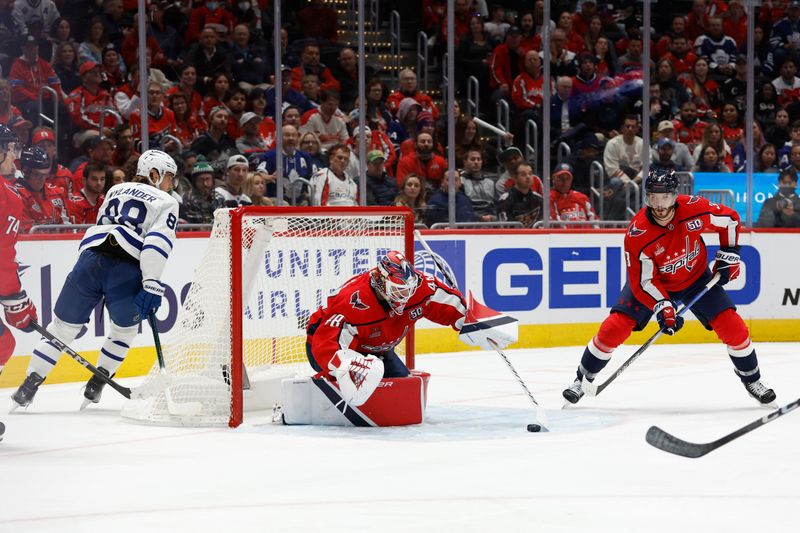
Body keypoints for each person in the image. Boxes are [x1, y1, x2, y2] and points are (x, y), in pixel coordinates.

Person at [562, 168, 777, 406]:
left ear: (675, 196)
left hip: (696, 278)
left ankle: (752, 380)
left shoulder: (694, 208)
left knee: (733, 327)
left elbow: (729, 220)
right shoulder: (638, 233)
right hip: (652, 284)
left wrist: (729, 253)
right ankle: (581, 380)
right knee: (613, 328)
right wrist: (663, 306)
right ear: (646, 198)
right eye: (653, 197)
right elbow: (644, 281)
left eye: (665, 197)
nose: (660, 205)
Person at [11, 150, 179, 408]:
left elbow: (102, 223)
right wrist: (152, 283)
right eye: (169, 177)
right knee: (124, 331)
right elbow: (156, 243)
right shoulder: (167, 201)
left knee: (62, 328)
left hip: (89, 260)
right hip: (127, 268)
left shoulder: (115, 190)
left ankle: (29, 385)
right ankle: (97, 383)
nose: (171, 184)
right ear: (154, 175)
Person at [305, 251, 465, 401]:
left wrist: (472, 321)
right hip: (326, 345)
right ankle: (327, 380)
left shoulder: (419, 288)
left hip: (377, 349)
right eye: (398, 291)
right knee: (355, 384)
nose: (405, 297)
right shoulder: (353, 301)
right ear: (380, 281)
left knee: (401, 389)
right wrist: (345, 368)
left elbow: (450, 304)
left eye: (408, 291)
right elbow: (325, 343)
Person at [0, 126, 38, 375]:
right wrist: (16, 302)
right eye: (11, 149)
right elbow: (2, 256)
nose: (15, 156)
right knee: (3, 345)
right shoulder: (7, 195)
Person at [15, 146, 70, 232]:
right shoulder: (16, 195)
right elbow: (26, 233)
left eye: (44, 175)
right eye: (37, 175)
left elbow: (67, 228)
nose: (42, 179)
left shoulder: (57, 193)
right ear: (25, 172)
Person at [497, 162, 543, 228]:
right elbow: (506, 227)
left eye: (530, 173)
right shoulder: (505, 200)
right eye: (523, 174)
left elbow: (542, 224)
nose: (528, 177)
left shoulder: (539, 199)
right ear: (515, 178)